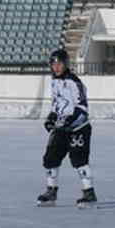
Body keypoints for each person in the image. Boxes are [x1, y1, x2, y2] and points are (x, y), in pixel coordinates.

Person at [37, 49, 96, 208]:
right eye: (53, 64)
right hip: (61, 127)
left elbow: (82, 107)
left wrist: (70, 120)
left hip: (78, 128)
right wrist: (52, 117)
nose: (56, 67)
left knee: (79, 160)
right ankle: (51, 192)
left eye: (59, 64)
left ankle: (89, 193)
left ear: (66, 64)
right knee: (50, 158)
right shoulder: (54, 81)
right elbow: (57, 104)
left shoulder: (74, 82)